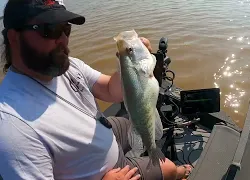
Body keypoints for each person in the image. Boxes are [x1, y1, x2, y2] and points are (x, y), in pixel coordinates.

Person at [0, 0, 193, 180]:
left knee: (129, 124)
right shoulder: (13, 128)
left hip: (105, 132)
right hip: (106, 171)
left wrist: (127, 65)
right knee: (168, 168)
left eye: (66, 29)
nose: (63, 40)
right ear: (14, 37)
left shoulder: (69, 66)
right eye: (50, 30)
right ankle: (181, 173)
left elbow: (111, 91)